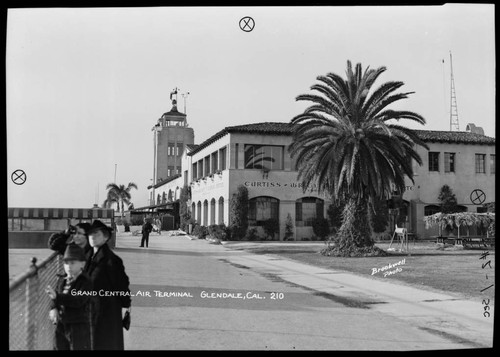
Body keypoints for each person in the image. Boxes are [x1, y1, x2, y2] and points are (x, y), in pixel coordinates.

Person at [85, 220, 131, 350]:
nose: (92, 237)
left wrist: (126, 306)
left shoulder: (112, 260)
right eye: (90, 234)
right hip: (90, 310)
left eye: (97, 234)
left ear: (106, 237)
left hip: (106, 312)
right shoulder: (88, 256)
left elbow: (122, 285)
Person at [45, 244, 94, 350]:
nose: (69, 266)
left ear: (82, 264)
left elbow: (78, 300)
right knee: (58, 347)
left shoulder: (85, 282)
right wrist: (54, 307)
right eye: (66, 263)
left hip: (78, 325)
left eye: (73, 263)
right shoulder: (63, 279)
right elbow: (56, 298)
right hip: (62, 324)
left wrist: (57, 297)